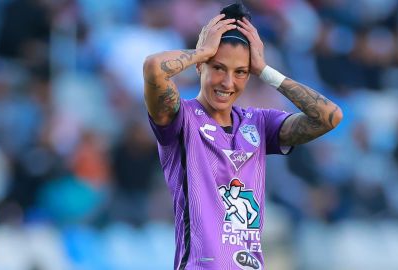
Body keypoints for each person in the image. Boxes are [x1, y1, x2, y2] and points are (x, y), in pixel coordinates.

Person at [143, 2, 342, 269]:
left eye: (240, 72)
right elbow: (154, 67)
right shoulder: (181, 119)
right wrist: (202, 51)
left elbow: (330, 116)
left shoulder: (259, 122)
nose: (228, 82)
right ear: (201, 67)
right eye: (218, 68)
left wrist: (265, 70)